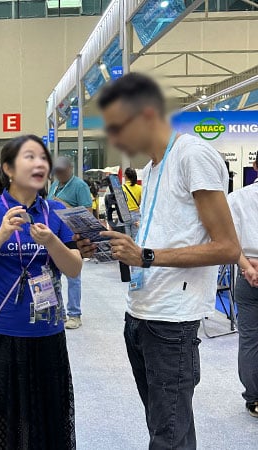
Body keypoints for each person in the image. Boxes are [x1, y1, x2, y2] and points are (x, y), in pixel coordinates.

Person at [76, 72, 240, 449]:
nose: (116, 138)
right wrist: (111, 243)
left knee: (167, 435)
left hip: (172, 321)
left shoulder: (193, 156)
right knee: (169, 428)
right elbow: (166, 235)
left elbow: (228, 247)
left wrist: (145, 255)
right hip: (141, 314)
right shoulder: (151, 170)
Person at [0, 135, 82, 449]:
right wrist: (2, 234)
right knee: (2, 429)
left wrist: (52, 242)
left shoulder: (56, 211)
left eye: (43, 158)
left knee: (47, 426)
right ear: (8, 169)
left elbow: (74, 268)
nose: (40, 164)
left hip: (48, 334)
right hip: (1, 334)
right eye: (30, 157)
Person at [227, 159, 258, 417]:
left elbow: (228, 242)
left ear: (255, 165)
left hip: (248, 275)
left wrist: (247, 266)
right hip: (250, 272)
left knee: (249, 340)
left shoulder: (236, 198)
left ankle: (254, 399)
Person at [48, 156, 92, 330]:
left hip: (72, 237)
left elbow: (87, 213)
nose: (58, 174)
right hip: (54, 236)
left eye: (61, 170)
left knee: (73, 277)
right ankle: (60, 312)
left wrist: (63, 205)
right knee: (52, 276)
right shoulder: (54, 185)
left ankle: (75, 314)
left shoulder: (80, 186)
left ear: (70, 168)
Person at [123, 167, 142, 239]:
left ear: (126, 176)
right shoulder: (140, 188)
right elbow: (140, 202)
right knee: (136, 239)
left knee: (127, 239)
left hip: (125, 214)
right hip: (136, 214)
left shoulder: (121, 188)